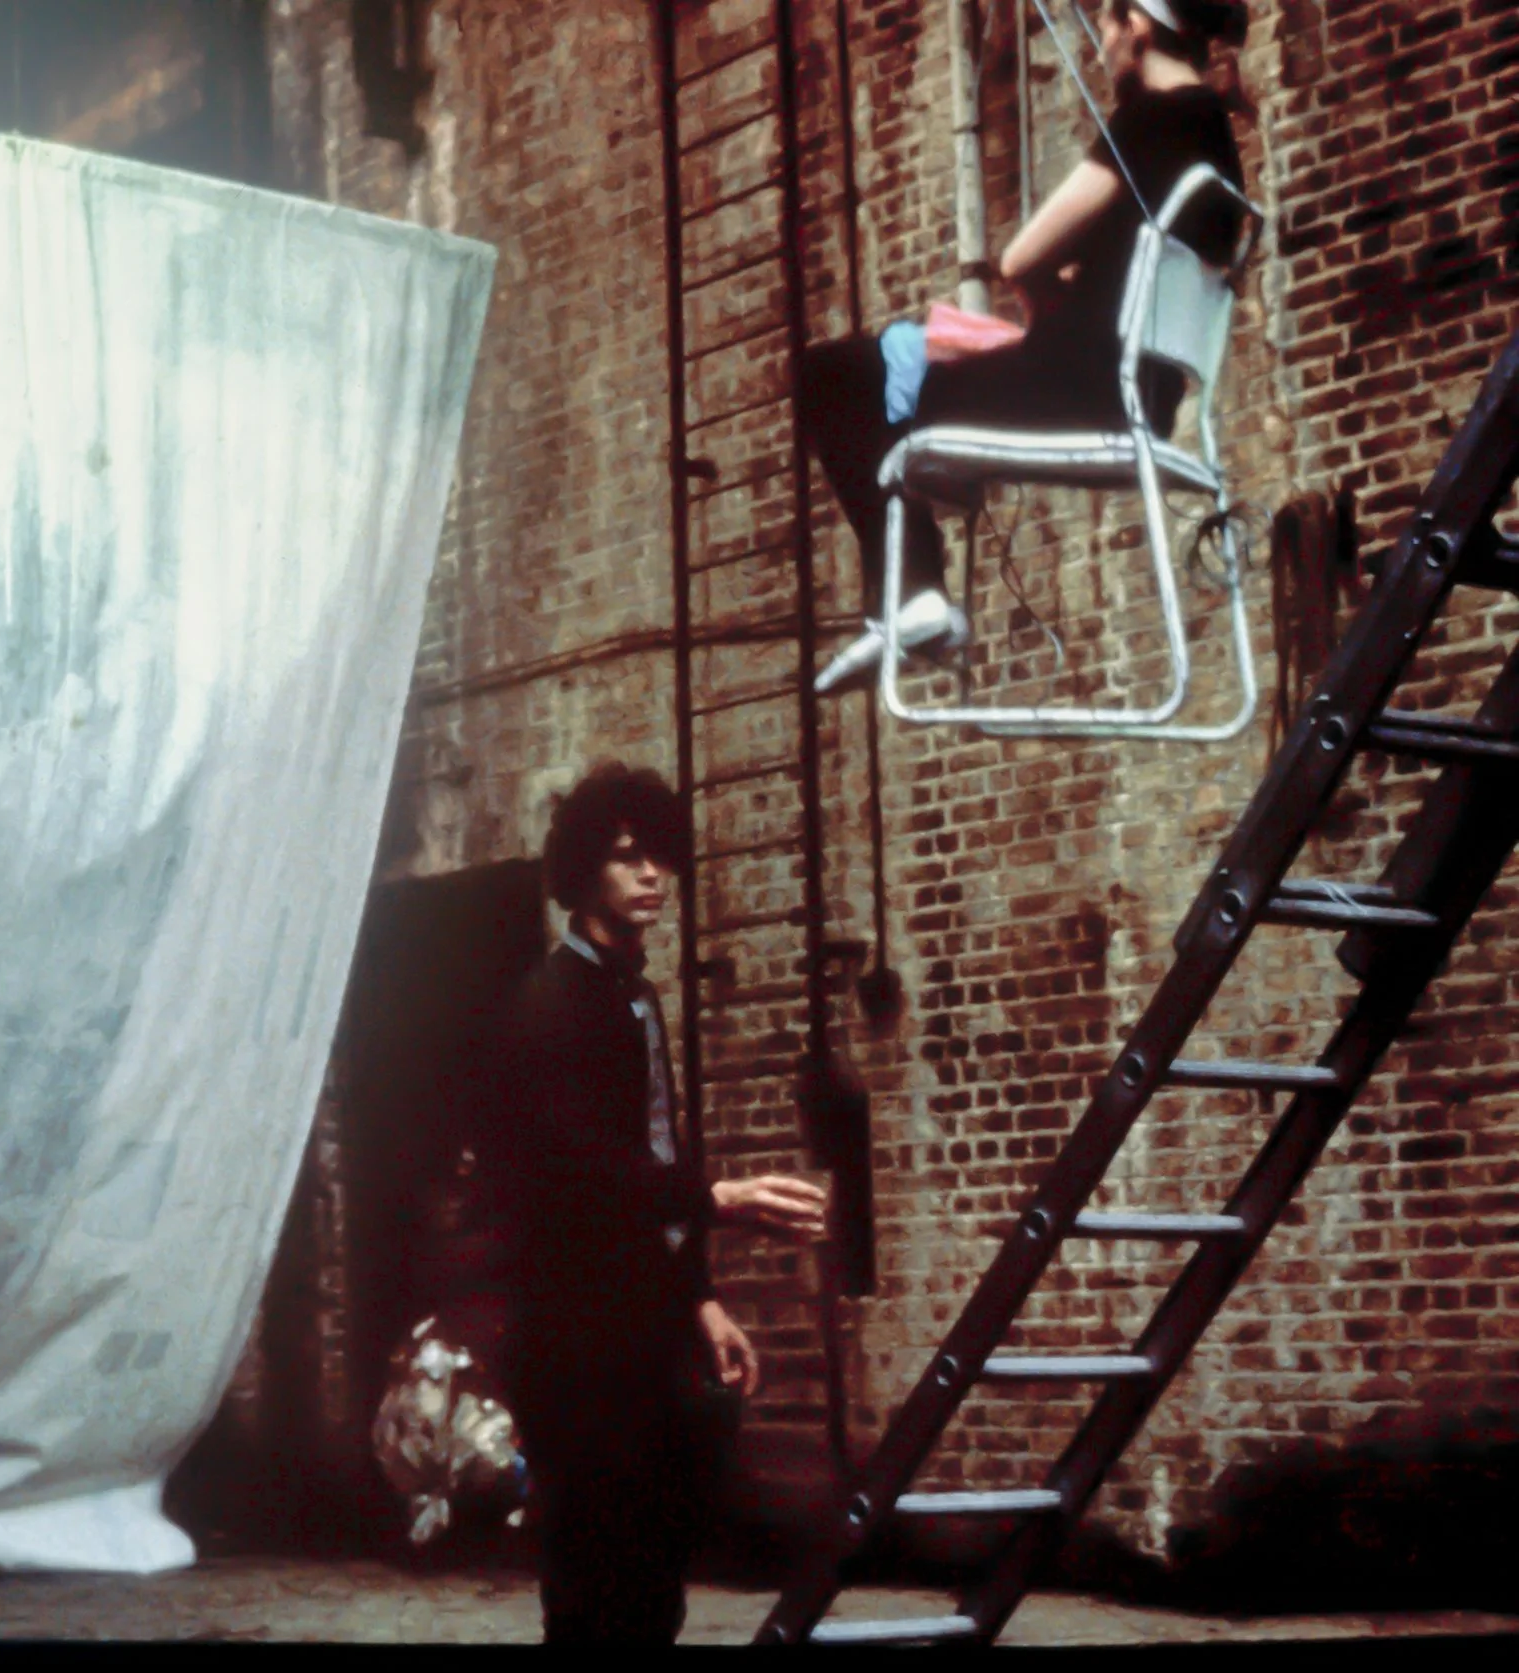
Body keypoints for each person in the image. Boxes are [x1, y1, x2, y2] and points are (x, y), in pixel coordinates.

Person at [799, 0, 1253, 696]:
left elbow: (1019, 259)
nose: (1100, 44)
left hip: (1076, 393)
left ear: (1137, 26)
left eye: (1107, 25)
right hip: (1140, 399)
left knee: (834, 373)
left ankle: (912, 589)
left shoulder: (1149, 121)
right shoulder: (1216, 143)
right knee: (909, 364)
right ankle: (914, 585)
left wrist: (1048, 286)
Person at [479, 762, 829, 1643]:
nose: (650, 875)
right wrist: (721, 1195)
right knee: (593, 1590)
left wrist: (701, 1299)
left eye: (660, 856)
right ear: (581, 870)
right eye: (626, 856)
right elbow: (585, 1175)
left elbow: (653, 1157)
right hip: (576, 1345)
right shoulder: (548, 1006)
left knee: (653, 1586)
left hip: (644, 1336)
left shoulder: (635, 995)